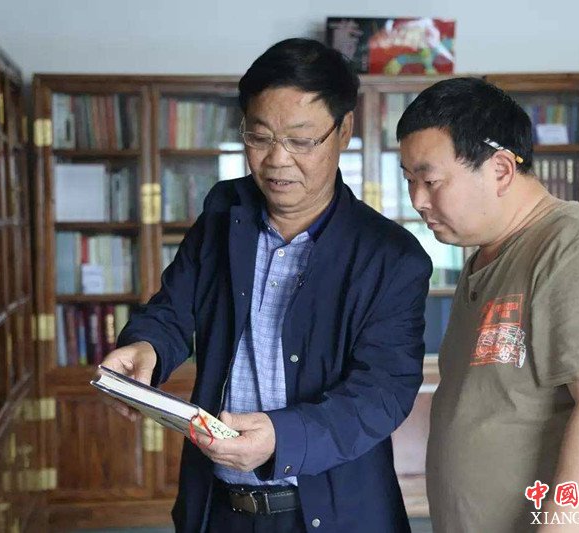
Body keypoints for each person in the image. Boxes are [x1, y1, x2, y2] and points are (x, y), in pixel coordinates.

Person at [103, 38, 432, 533]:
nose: (277, 160)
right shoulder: (223, 212)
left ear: (344, 130)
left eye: (301, 141)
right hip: (220, 506)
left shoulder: (391, 256)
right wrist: (146, 346)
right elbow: (174, 307)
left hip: (334, 514)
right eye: (259, 138)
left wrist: (283, 435)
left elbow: (383, 392)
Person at [396, 77, 579, 532]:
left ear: (501, 169)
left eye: (430, 180)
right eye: (409, 181)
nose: (418, 200)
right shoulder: (487, 257)